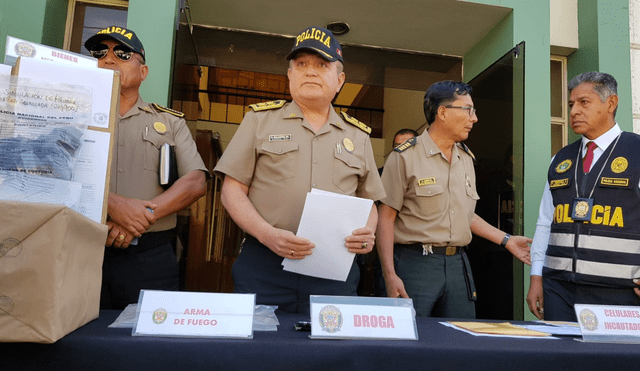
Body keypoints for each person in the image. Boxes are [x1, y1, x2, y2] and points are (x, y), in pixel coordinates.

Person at [213, 26, 385, 314]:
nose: (310, 72)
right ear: (290, 75)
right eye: (301, 64)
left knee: (329, 354)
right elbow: (232, 191)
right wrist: (268, 234)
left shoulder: (358, 137)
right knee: (260, 352)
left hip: (333, 268)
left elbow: (369, 202)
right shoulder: (259, 121)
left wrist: (368, 232)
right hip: (265, 263)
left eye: (321, 65)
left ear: (339, 79)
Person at [377, 81, 531, 318]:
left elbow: (465, 214)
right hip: (416, 264)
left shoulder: (466, 158)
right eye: (468, 110)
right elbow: (385, 218)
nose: (474, 118)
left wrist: (506, 240)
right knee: (410, 340)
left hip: (458, 265)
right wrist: (389, 274)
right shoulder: (405, 157)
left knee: (460, 339)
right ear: (442, 112)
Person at [85, 26, 209, 309]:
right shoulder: (72, 114)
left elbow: (195, 182)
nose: (109, 59)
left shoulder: (170, 123)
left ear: (143, 72)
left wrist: (141, 216)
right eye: (100, 52)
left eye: (123, 53)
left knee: (147, 344)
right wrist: (112, 205)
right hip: (81, 247)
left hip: (149, 256)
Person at [526, 72, 640, 321]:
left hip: (619, 292)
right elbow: (546, 222)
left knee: (612, 360)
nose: (574, 111)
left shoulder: (637, 152)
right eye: (570, 104)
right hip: (559, 289)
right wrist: (536, 276)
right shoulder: (561, 159)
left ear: (611, 103)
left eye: (583, 102)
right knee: (561, 358)